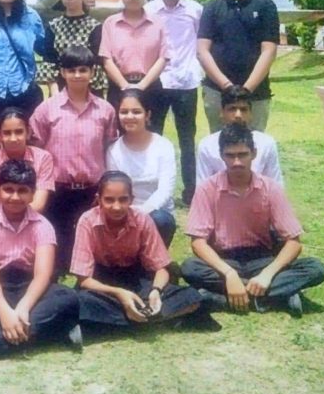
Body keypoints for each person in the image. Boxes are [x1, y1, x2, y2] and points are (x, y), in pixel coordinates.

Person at [182, 123, 324, 317]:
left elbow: (294, 242)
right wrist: (229, 274)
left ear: (254, 153)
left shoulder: (270, 188)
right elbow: (198, 242)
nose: (236, 162)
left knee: (315, 268)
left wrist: (267, 274)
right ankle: (275, 296)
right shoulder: (207, 189)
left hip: (262, 258)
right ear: (221, 155)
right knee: (190, 268)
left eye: (242, 155)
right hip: (225, 259)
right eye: (230, 156)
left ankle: (222, 298)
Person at [0, 160, 80, 371]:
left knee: (69, 300)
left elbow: (42, 275)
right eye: (8, 190)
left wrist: (22, 308)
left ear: (32, 194)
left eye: (22, 191)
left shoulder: (43, 226)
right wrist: (5, 312)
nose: (14, 197)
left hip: (33, 288)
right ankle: (54, 332)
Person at [71, 171, 205, 332]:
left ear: (132, 200)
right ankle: (148, 319)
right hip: (102, 283)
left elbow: (161, 268)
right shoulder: (87, 221)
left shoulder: (142, 219)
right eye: (109, 200)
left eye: (123, 199)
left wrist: (156, 291)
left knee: (192, 296)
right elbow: (84, 279)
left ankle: (118, 321)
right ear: (99, 200)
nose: (117, 206)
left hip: (136, 279)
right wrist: (119, 294)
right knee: (75, 301)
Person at [30, 45, 118, 273]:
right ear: (62, 72)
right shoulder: (46, 110)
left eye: (83, 69)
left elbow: (109, 145)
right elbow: (36, 149)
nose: (77, 75)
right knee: (59, 250)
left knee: (93, 245)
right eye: (71, 70)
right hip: (57, 190)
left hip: (92, 190)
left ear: (92, 72)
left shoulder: (106, 110)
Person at [197, 0, 280, 133]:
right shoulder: (212, 8)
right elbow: (202, 51)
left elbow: (269, 51)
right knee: (219, 145)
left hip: (256, 94)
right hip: (217, 92)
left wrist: (246, 90)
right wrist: (227, 86)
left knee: (253, 147)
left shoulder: (266, 6)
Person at [144, 0, 202, 205]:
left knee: (187, 140)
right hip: (158, 82)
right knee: (152, 137)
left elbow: (201, 43)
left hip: (186, 82)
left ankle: (191, 193)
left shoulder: (195, 10)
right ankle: (151, 189)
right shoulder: (149, 10)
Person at [106, 89, 177, 247]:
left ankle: (157, 261)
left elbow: (165, 190)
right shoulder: (113, 150)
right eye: (124, 112)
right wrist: (128, 212)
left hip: (156, 212)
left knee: (161, 220)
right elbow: (115, 189)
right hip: (122, 211)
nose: (130, 117)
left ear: (148, 115)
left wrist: (143, 212)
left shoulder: (163, 146)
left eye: (136, 112)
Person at [99, 0, 170, 125]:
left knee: (152, 134)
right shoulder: (110, 23)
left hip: (151, 87)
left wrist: (141, 86)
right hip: (119, 88)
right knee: (119, 134)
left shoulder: (157, 23)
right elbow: (106, 59)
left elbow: (163, 57)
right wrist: (125, 86)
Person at [197, 85, 282, 186]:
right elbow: (202, 189)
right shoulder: (207, 146)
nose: (238, 115)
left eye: (243, 109)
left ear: (251, 114)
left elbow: (276, 186)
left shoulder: (266, 144)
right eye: (232, 109)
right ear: (221, 113)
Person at [44, 0, 107, 97]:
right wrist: (56, 95)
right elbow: (49, 61)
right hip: (60, 89)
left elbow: (95, 63)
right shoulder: (53, 26)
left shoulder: (94, 27)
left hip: (89, 90)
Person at [0, 107, 54, 214]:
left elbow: (38, 204)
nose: (13, 138)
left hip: (34, 219)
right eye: (7, 133)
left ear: (28, 132)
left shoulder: (43, 158)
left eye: (19, 132)